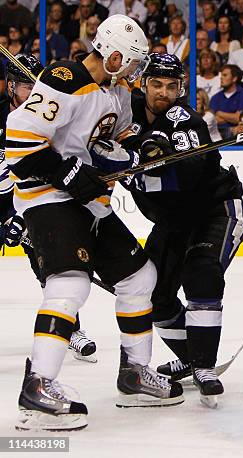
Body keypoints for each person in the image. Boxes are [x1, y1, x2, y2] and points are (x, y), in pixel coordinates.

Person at [6, 15, 183, 432]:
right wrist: (69, 174)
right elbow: (19, 143)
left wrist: (144, 148)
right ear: (116, 55)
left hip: (90, 203)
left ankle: (134, 374)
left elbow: (117, 138)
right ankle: (38, 385)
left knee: (140, 278)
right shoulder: (63, 79)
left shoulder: (117, 90)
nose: (138, 72)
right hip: (47, 198)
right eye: (135, 63)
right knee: (70, 283)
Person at [127, 53, 243, 405]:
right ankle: (193, 356)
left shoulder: (183, 119)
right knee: (152, 293)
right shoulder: (124, 110)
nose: (164, 93)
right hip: (174, 220)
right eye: (157, 85)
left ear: (180, 88)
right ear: (143, 84)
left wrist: (160, 157)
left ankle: (204, 367)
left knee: (201, 273)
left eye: (171, 86)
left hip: (214, 209)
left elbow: (192, 170)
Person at [1, 53, 98, 363]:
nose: (32, 94)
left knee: (53, 267)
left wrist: (20, 218)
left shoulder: (49, 123)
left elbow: (53, 169)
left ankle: (70, 329)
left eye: (37, 86)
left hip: (30, 202)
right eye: (25, 87)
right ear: (10, 88)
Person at [210, 64, 243, 138]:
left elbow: (240, 118)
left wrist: (218, 112)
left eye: (225, 75)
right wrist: (232, 117)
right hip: (217, 133)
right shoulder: (215, 98)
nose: (221, 78)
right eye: (221, 75)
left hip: (236, 133)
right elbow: (212, 120)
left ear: (234, 78)